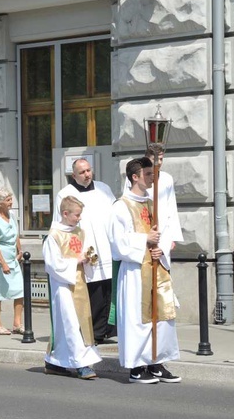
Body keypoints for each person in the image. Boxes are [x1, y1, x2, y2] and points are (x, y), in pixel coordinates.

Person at [108, 158, 181, 384]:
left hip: (156, 267)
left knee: (162, 316)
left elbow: (161, 233)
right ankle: (136, 365)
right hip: (134, 270)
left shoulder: (151, 203)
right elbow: (116, 242)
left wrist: (160, 249)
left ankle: (156, 361)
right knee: (136, 318)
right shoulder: (121, 206)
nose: (153, 178)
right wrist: (144, 241)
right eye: (148, 174)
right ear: (135, 177)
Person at [54, 158, 117, 343]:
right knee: (93, 292)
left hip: (107, 247)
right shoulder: (66, 194)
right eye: (82, 172)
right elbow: (61, 226)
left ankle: (107, 329)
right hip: (85, 250)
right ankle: (93, 332)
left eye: (89, 170)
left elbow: (115, 215)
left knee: (108, 290)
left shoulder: (104, 188)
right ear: (73, 175)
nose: (87, 175)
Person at [43, 196, 101, 380]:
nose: (79, 218)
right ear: (65, 214)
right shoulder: (54, 235)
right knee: (70, 324)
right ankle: (81, 364)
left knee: (77, 323)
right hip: (63, 285)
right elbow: (52, 264)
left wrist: (89, 258)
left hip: (80, 282)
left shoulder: (79, 232)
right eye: (77, 215)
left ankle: (54, 362)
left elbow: (84, 252)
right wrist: (75, 261)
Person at [0, 188, 24, 335]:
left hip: (13, 258)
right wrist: (3, 263)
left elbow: (16, 235)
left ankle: (17, 323)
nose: (11, 202)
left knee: (19, 290)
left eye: (10, 198)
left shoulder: (12, 215)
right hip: (0, 258)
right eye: (7, 200)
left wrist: (20, 251)